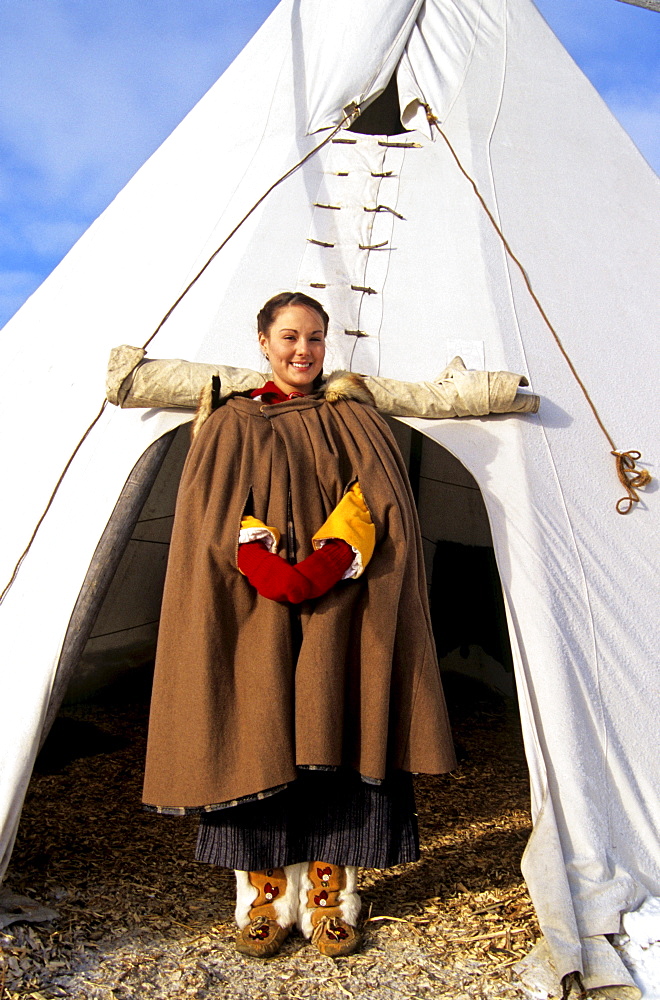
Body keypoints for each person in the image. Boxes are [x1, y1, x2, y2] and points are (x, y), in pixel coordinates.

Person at [106, 292, 539, 959]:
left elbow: (375, 500)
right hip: (254, 609)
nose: (302, 351)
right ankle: (262, 895)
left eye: (313, 338)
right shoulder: (232, 420)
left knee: (335, 729)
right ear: (262, 342)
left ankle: (332, 895)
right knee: (258, 733)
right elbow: (216, 509)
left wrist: (332, 559)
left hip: (343, 602)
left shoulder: (351, 418)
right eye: (288, 337)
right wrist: (263, 562)